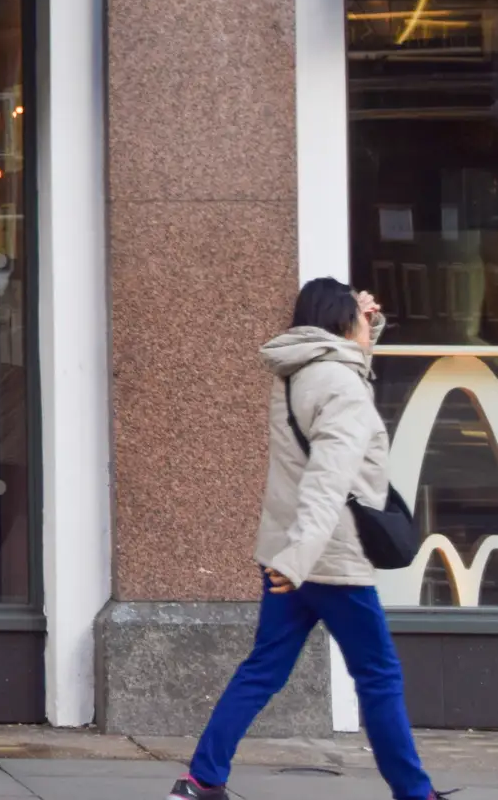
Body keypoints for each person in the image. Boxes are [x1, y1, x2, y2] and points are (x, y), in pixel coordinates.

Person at [168, 278, 448, 800]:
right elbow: (328, 479)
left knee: (263, 670)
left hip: (286, 549)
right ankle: (415, 793)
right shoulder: (342, 387)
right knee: (380, 676)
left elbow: (350, 362)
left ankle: (202, 779)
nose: (369, 326)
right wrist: (301, 559)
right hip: (326, 556)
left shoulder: (298, 372)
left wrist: (366, 322)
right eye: (362, 320)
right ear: (342, 325)